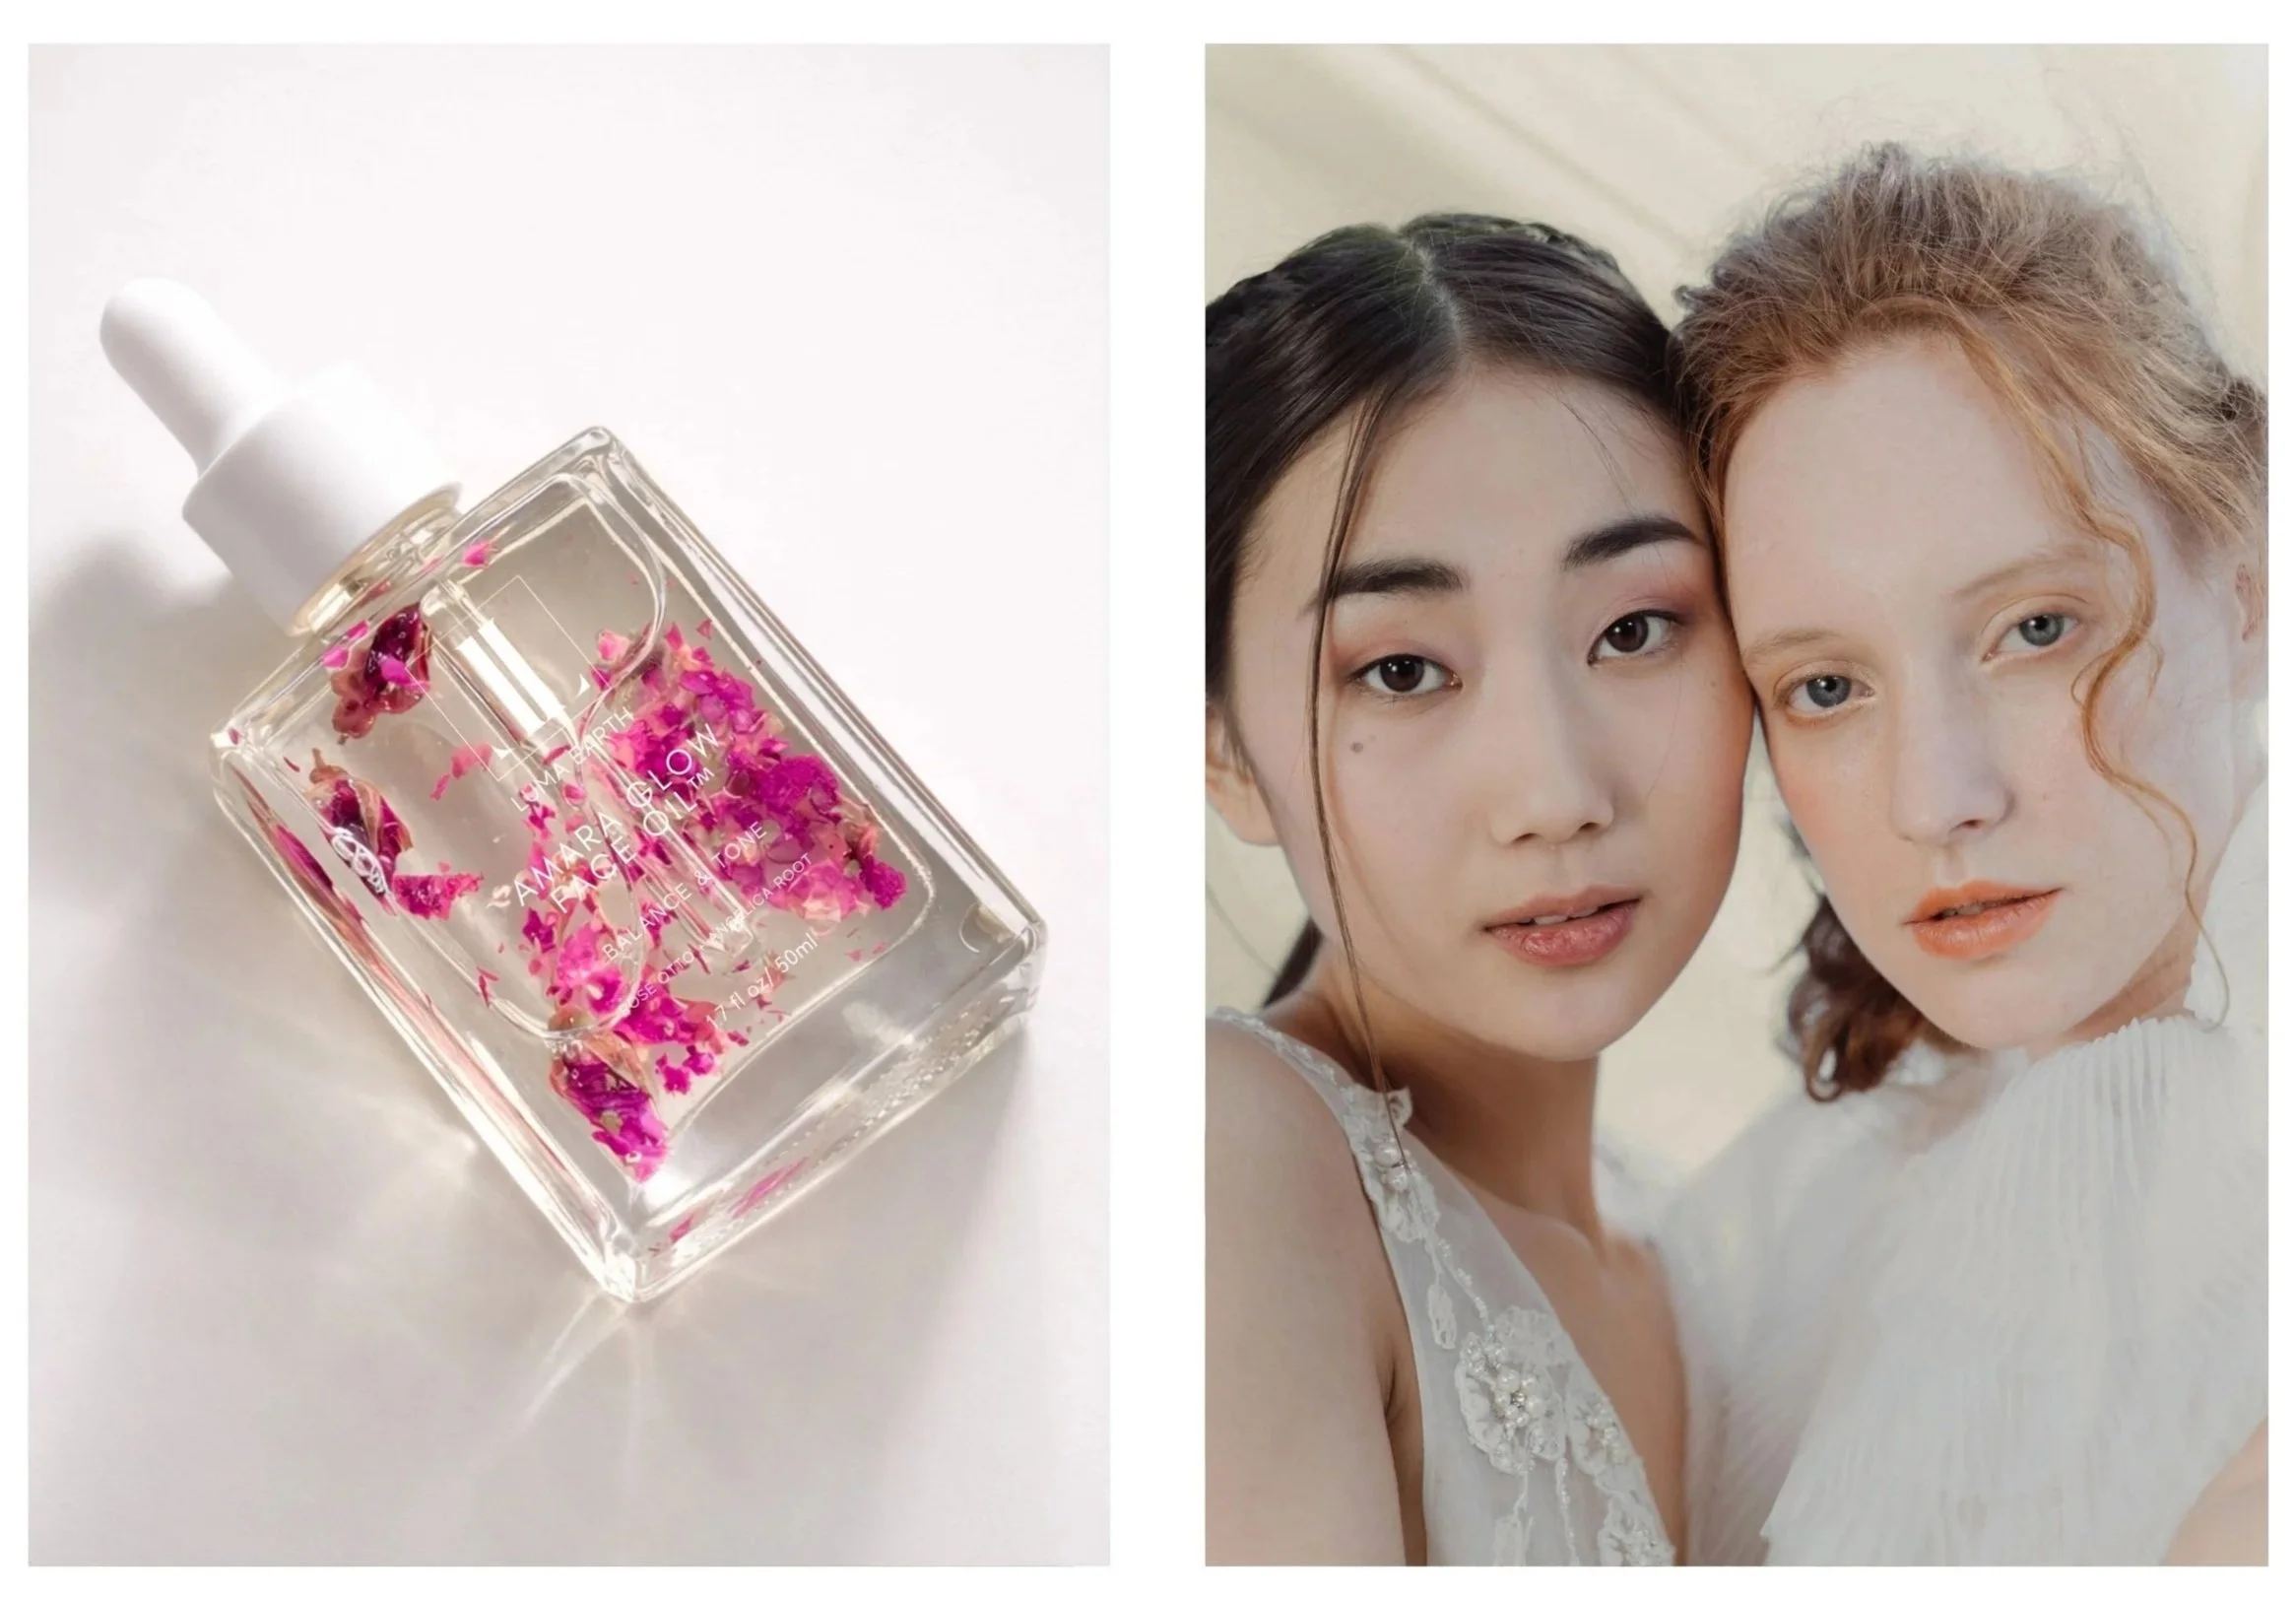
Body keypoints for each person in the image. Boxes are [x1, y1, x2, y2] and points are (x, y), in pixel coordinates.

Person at [1661, 144, 2267, 1564]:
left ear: (2244, 585)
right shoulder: (1787, 1232)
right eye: (1824, 688)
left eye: (2034, 631)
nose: (1936, 800)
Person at [1204, 214, 1753, 1564]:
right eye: (1401, 670)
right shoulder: (1235, 1157)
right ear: (1219, 747)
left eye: (1632, 631)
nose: (1555, 793)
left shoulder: (1703, 1245)